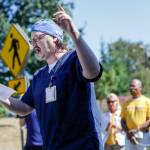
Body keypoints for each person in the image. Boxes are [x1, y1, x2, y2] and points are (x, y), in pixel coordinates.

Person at [0, 6, 103, 150]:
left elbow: (93, 71)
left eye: (39, 38)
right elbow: (24, 108)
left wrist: (73, 33)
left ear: (55, 38)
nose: (34, 44)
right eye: (32, 41)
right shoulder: (38, 76)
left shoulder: (74, 59)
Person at [121, 79, 150, 150]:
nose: (131, 88)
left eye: (133, 86)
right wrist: (128, 133)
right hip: (129, 136)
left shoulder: (147, 101)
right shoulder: (126, 103)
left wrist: (137, 129)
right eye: (130, 86)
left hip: (143, 135)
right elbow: (122, 121)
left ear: (140, 88)